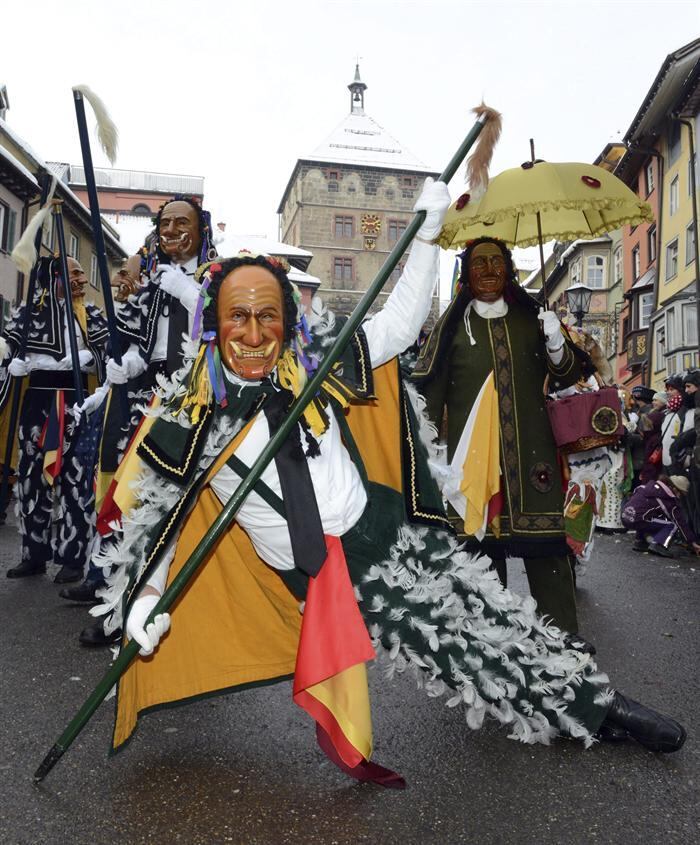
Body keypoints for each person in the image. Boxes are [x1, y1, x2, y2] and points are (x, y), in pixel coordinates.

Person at [87, 185, 684, 788]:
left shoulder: (310, 360)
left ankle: (583, 692)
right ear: (214, 325)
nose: (253, 332)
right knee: (461, 644)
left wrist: (424, 236)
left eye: (268, 315)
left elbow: (397, 327)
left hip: (384, 520)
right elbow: (159, 514)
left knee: (489, 607)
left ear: (287, 321)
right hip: (330, 572)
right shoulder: (190, 409)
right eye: (237, 316)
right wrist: (144, 597)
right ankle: (597, 712)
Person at [412, 237, 593, 649]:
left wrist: (555, 340)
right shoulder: (452, 327)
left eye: (497, 262)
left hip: (534, 459)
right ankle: (484, 643)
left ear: (509, 269)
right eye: (480, 264)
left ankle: (563, 639)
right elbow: (428, 396)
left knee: (547, 552)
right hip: (470, 462)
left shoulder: (533, 319)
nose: (489, 270)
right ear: (466, 274)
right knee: (478, 555)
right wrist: (431, 462)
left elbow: (566, 377)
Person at [64, 197, 217, 646]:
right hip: (150, 406)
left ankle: (182, 608)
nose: (171, 230)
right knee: (134, 505)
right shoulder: (152, 279)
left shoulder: (219, 276)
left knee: (182, 512)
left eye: (181, 222)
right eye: (164, 222)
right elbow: (138, 340)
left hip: (198, 406)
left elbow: (226, 327)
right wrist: (127, 365)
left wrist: (192, 296)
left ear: (201, 228)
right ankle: (120, 612)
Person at [0, 256, 108, 582]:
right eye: (74, 272)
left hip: (75, 399)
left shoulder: (89, 314)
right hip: (38, 400)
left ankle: (73, 559)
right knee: (33, 477)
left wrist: (93, 358)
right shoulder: (29, 312)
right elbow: (8, 342)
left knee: (75, 478)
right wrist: (12, 363)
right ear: (54, 277)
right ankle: (33, 554)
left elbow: (111, 352)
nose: (81, 279)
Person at [622, 474, 700, 558]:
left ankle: (640, 541)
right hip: (638, 519)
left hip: (625, 516)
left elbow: (635, 495)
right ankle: (659, 545)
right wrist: (692, 542)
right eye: (680, 493)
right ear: (674, 489)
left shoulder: (645, 487)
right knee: (673, 525)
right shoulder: (668, 500)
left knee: (646, 515)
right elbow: (680, 522)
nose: (680, 496)